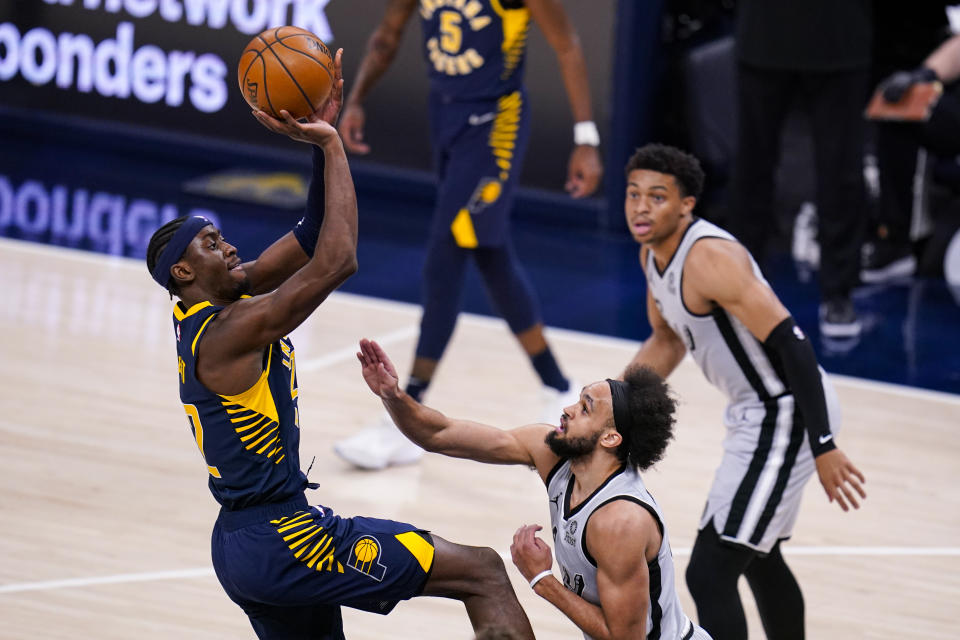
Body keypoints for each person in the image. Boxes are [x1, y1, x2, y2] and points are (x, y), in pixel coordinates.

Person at [144, 51, 534, 640]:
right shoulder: (229, 331)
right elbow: (338, 259)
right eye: (210, 244)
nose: (228, 248)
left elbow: (310, 230)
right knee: (482, 571)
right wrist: (331, 147)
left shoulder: (217, 307)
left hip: (244, 545)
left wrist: (318, 135)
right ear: (183, 274)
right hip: (286, 539)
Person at [334, 0, 604, 470]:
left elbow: (568, 44)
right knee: (489, 253)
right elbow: (386, 35)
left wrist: (586, 139)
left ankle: (408, 415)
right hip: (445, 117)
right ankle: (557, 384)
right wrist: (356, 97)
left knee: (445, 256)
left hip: (496, 123)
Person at [622, 144, 866, 640]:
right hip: (754, 414)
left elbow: (793, 343)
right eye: (633, 195)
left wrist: (823, 444)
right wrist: (615, 400)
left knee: (709, 571)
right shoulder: (652, 253)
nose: (641, 208)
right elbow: (668, 338)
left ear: (687, 205)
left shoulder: (711, 257)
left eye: (657, 196)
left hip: (787, 412)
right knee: (758, 554)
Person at [357, 339, 712, 640]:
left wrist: (542, 580)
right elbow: (439, 435)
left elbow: (624, 638)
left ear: (610, 438)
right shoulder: (549, 451)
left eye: (584, 408)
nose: (568, 409)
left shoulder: (619, 520)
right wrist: (393, 396)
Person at [731, 0, 871, 338]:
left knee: (841, 171)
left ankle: (839, 293)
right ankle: (738, 288)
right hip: (763, 35)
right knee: (752, 167)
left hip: (840, 37)